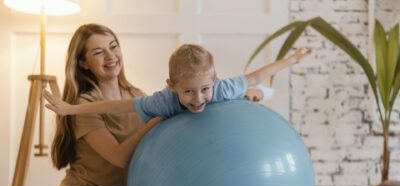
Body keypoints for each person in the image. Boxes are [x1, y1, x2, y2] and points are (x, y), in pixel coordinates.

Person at [45, 23, 162, 186]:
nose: (111, 56)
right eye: (98, 52)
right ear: (82, 63)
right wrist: (153, 123)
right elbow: (118, 157)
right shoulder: (84, 105)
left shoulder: (135, 96)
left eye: (113, 46)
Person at [43, 44, 311, 121]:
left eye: (204, 88)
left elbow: (255, 74)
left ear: (213, 81)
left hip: (231, 98)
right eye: (188, 92)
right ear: (172, 85)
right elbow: (117, 106)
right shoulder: (164, 100)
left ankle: (254, 95)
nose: (197, 99)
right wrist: (70, 109)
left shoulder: (219, 89)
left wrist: (291, 60)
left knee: (249, 90)